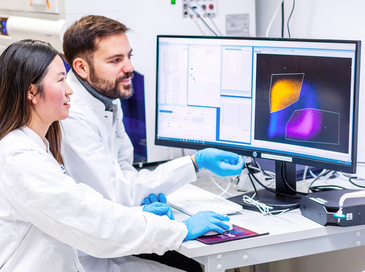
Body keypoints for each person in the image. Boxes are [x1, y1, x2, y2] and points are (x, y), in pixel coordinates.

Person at [0, 39, 232, 272]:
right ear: (31, 93)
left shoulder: (34, 145)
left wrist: (141, 213)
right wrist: (181, 230)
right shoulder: (20, 158)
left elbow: (81, 208)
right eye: (61, 80)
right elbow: (90, 219)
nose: (69, 89)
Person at [61, 15, 245, 271]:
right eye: (115, 60)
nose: (129, 67)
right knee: (191, 265)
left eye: (129, 56)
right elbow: (115, 193)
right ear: (81, 67)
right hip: (87, 255)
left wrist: (141, 206)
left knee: (189, 261)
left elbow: (123, 171)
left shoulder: (106, 97)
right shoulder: (72, 116)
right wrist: (194, 163)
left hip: (111, 235)